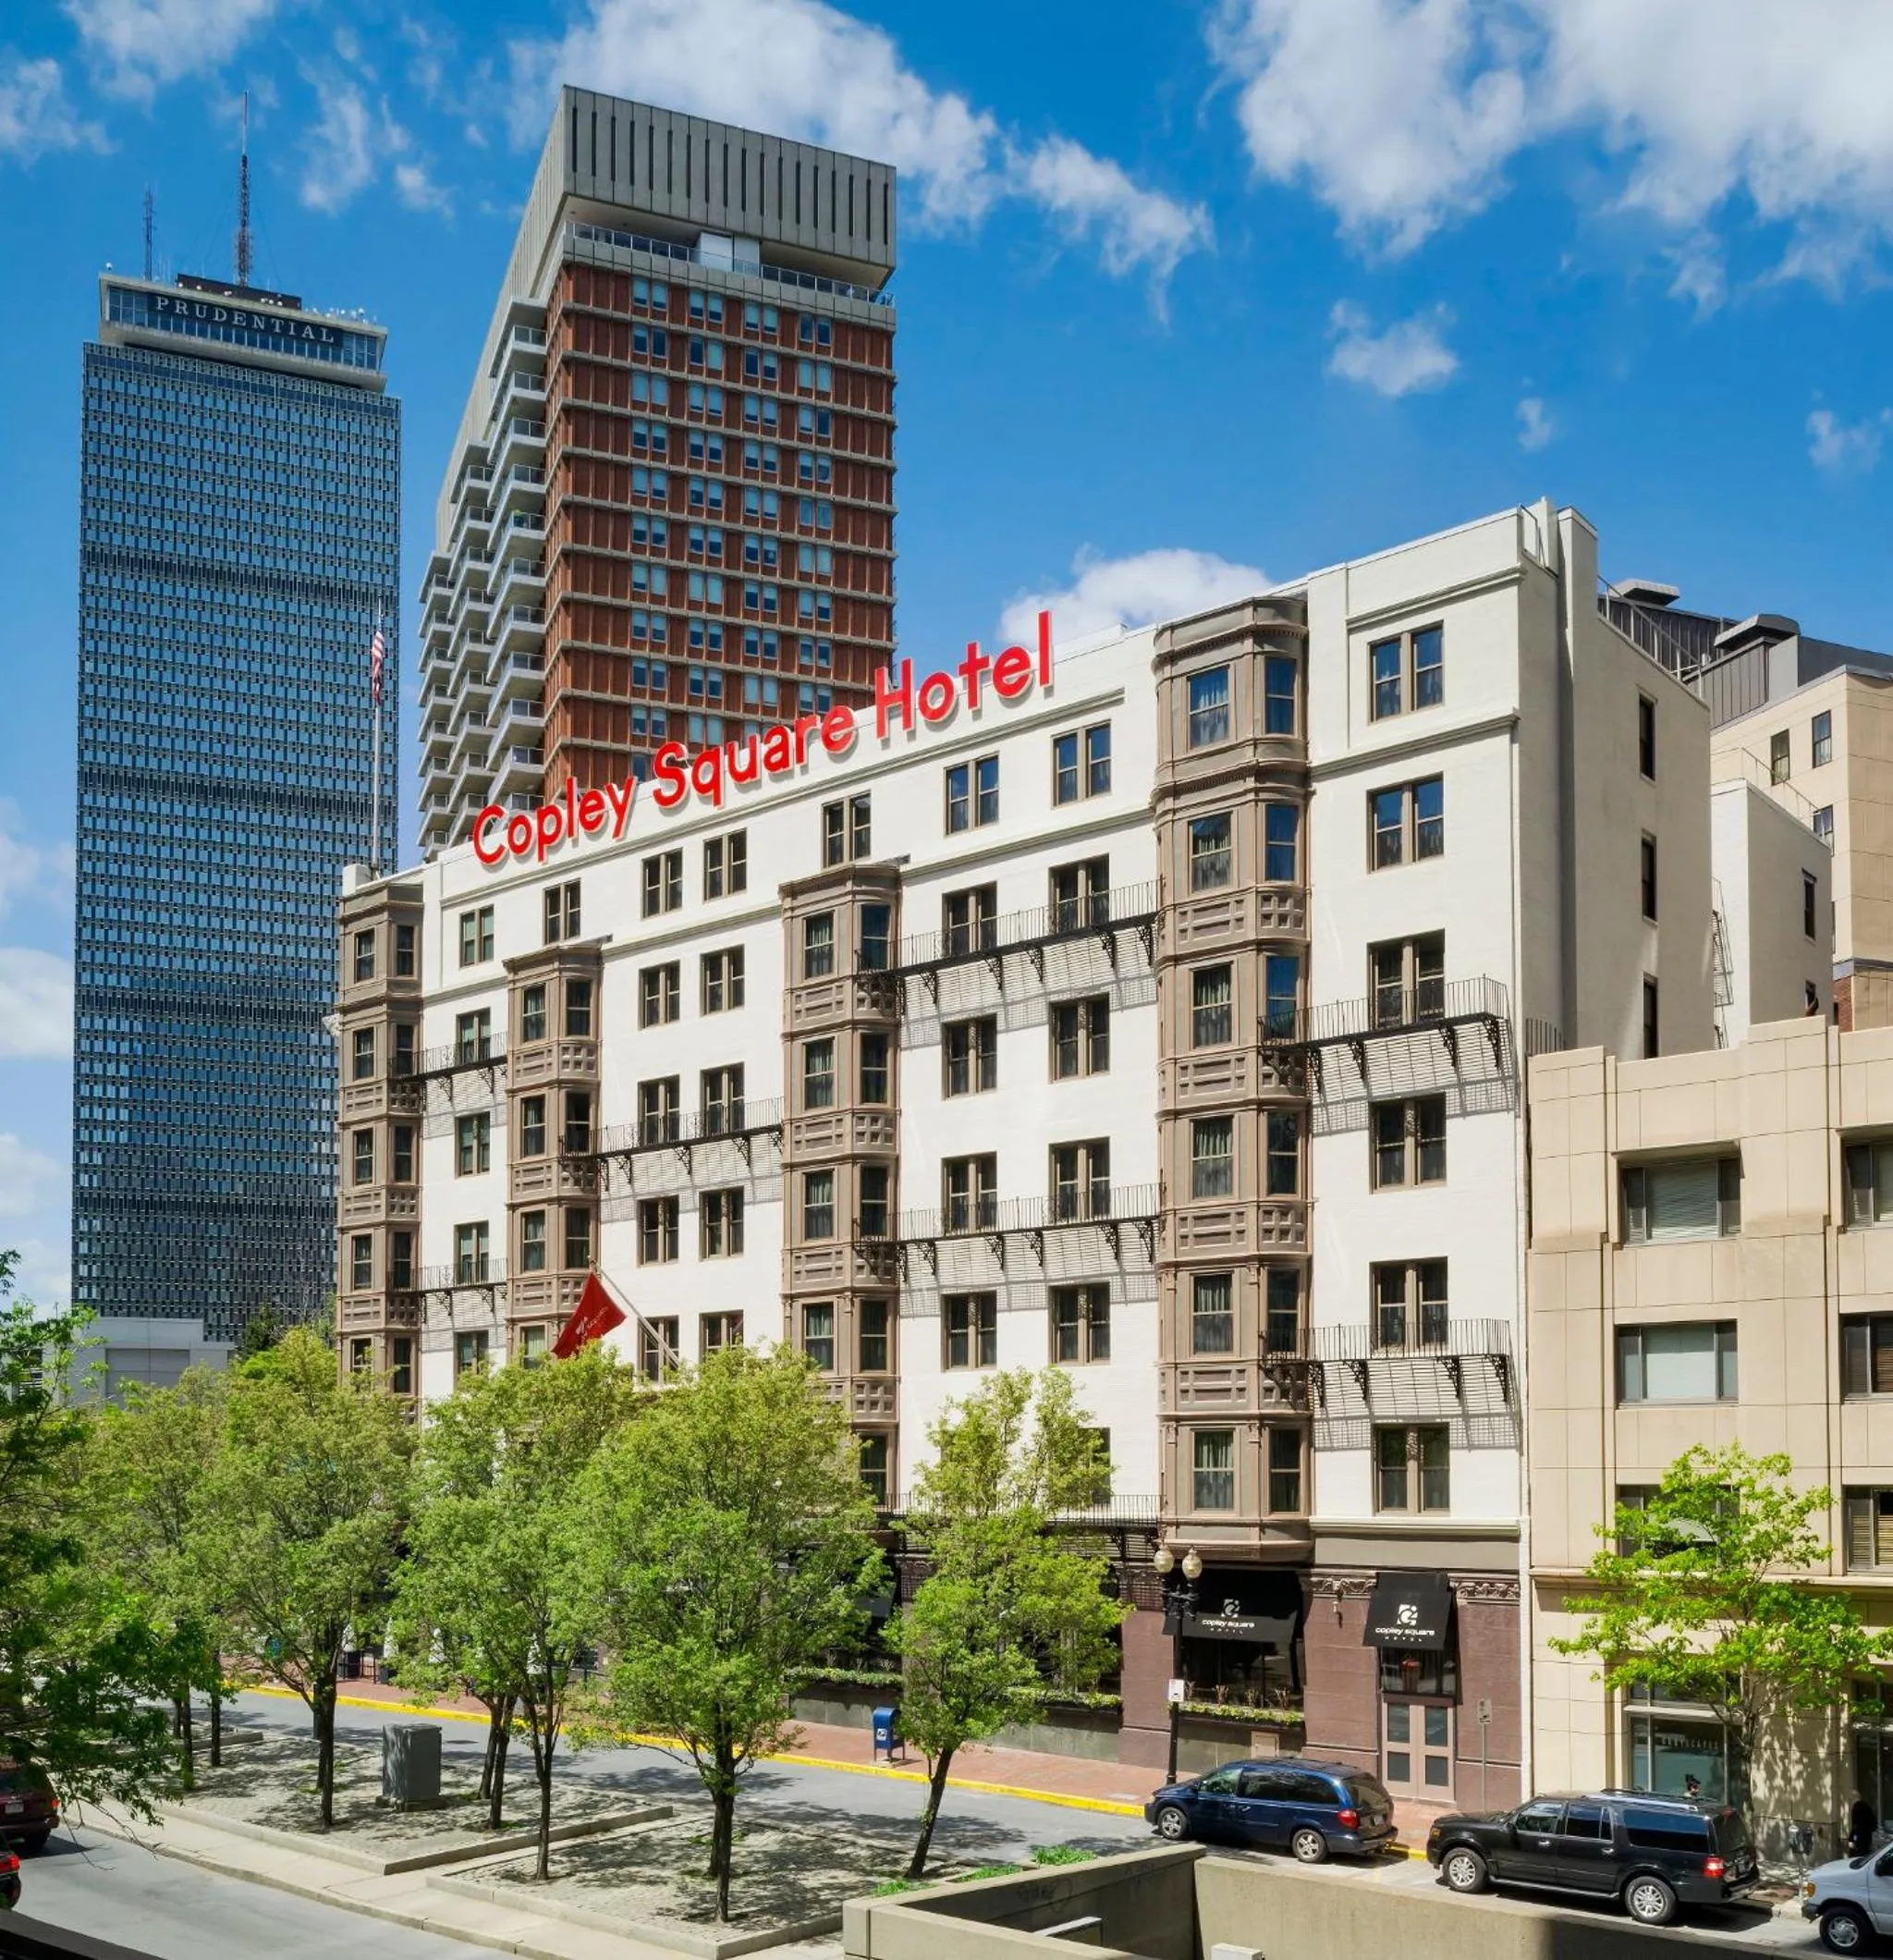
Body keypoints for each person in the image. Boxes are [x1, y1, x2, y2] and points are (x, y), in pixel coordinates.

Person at [1849, 1790, 1877, 1859]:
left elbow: (1855, 1825)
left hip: (1859, 1838)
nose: (1850, 1801)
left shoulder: (1856, 1808)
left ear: (1854, 1798)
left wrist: (1851, 1839)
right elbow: (1874, 1822)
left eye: (1850, 1798)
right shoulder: (1867, 1806)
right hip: (1867, 1837)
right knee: (1865, 1856)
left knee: (1857, 1858)